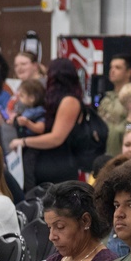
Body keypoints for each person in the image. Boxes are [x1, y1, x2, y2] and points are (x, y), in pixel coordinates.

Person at [9, 59, 83, 187]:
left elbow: (56, 138)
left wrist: (24, 141)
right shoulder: (53, 100)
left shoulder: (69, 101)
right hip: (48, 163)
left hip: (58, 165)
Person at [98, 55, 131, 135]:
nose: (112, 71)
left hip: (126, 144)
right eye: (111, 67)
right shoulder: (107, 98)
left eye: (118, 68)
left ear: (129, 72)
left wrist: (120, 129)